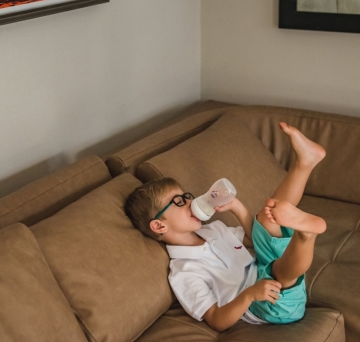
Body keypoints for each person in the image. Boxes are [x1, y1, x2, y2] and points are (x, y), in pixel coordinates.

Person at [124, 122, 327, 331]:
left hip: (265, 268)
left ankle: (305, 163)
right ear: (159, 225)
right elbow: (216, 320)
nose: (189, 201)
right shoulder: (184, 272)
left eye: (186, 196)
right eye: (178, 201)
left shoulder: (213, 230)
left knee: (265, 220)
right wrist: (250, 294)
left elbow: (253, 239)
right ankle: (305, 236)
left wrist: (237, 207)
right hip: (268, 305)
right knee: (278, 273)